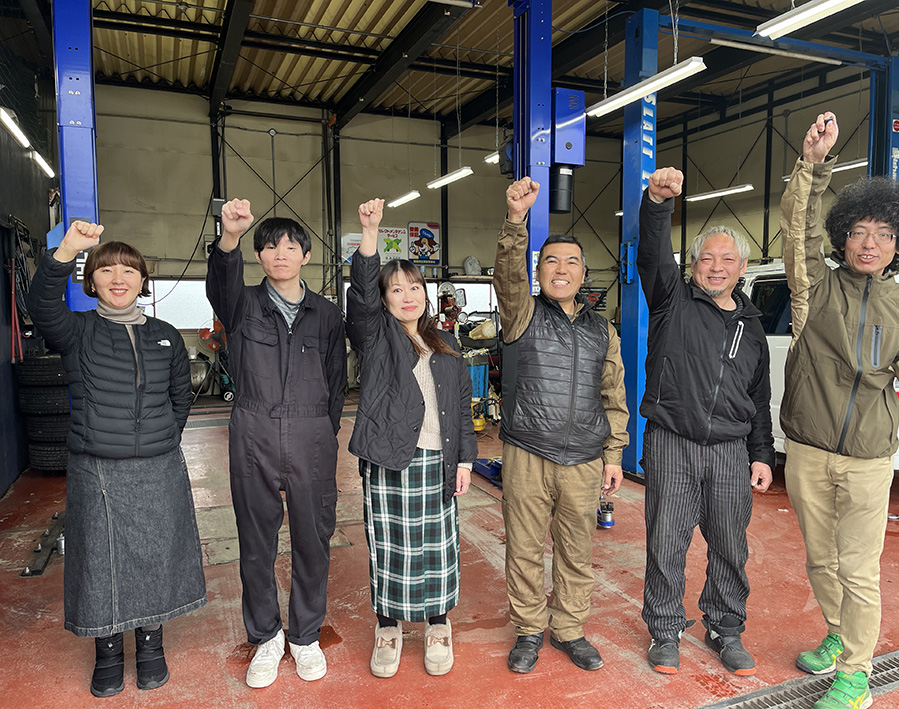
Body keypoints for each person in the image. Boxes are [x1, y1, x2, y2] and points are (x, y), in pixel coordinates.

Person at [780, 112, 899, 709]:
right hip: (809, 451)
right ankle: (838, 635)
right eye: (860, 231)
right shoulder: (815, 287)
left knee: (859, 568)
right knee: (822, 560)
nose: (870, 244)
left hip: (870, 458)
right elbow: (796, 234)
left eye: (885, 235)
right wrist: (813, 167)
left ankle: (857, 675)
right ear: (844, 236)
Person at [26, 221, 206, 698]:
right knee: (99, 559)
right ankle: (106, 651)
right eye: (107, 270)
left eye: (130, 269)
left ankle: (151, 644)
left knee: (154, 555)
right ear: (93, 281)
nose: (119, 277)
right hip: (96, 467)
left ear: (143, 280)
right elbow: (40, 306)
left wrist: (162, 436)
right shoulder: (77, 330)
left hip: (158, 465)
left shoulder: (165, 335)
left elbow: (180, 397)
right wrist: (66, 250)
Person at [637, 168, 775, 677]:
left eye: (727, 260)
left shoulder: (753, 325)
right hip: (672, 438)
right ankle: (665, 629)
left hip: (730, 450)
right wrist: (656, 203)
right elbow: (651, 254)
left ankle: (724, 627)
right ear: (692, 264)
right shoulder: (672, 300)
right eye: (706, 258)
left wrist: (761, 452)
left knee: (730, 543)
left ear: (742, 267)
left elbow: (756, 395)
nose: (716, 267)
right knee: (667, 540)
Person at [207, 200, 346, 688]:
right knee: (256, 542)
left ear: (306, 255)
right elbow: (220, 280)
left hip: (311, 435)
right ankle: (265, 636)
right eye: (269, 247)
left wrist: (322, 435)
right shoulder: (242, 304)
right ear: (259, 257)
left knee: (313, 539)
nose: (279, 254)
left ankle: (305, 636)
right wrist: (230, 237)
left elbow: (336, 381)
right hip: (254, 431)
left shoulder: (327, 315)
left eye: (290, 246)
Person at [496, 177, 629, 674]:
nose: (561, 268)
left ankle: (569, 628)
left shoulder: (602, 329)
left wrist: (614, 454)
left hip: (584, 460)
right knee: (526, 548)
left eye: (571, 261)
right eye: (551, 260)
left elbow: (613, 394)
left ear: (583, 273)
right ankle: (529, 630)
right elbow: (508, 275)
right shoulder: (522, 313)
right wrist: (515, 223)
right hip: (529, 451)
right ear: (539, 269)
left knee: (577, 550)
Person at [346, 198, 477, 678]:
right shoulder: (375, 336)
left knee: (437, 547)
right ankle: (388, 628)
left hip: (437, 463)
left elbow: (462, 408)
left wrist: (465, 461)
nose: (407, 295)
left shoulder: (447, 344)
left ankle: (438, 625)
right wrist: (371, 231)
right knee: (391, 547)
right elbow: (360, 294)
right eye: (396, 289)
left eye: (415, 287)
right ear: (384, 300)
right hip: (389, 459)